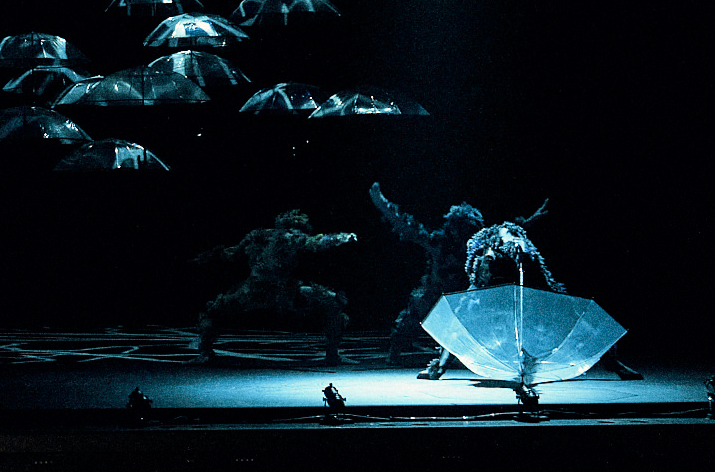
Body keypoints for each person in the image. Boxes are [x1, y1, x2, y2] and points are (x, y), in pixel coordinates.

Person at [418, 216, 641, 380]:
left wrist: (519, 248)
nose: (509, 237)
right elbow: (479, 274)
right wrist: (487, 264)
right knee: (457, 320)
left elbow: (532, 267)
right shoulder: (486, 247)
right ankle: (440, 366)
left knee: (577, 316)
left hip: (529, 294)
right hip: (490, 294)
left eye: (512, 234)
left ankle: (615, 364)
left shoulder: (520, 247)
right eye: (506, 235)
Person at [191, 210, 356, 365]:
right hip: (263, 290)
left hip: (275, 289)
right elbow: (315, 242)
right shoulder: (280, 236)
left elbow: (233, 253)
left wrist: (211, 256)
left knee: (333, 302)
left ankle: (333, 354)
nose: (294, 233)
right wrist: (342, 237)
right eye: (292, 229)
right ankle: (205, 352)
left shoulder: (262, 235)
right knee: (213, 311)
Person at [369, 182, 492, 364]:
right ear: (452, 227)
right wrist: (382, 204)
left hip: (462, 296)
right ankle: (396, 349)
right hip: (435, 294)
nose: (461, 233)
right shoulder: (439, 244)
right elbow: (408, 228)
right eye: (459, 227)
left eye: (466, 229)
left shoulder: (477, 248)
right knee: (413, 315)